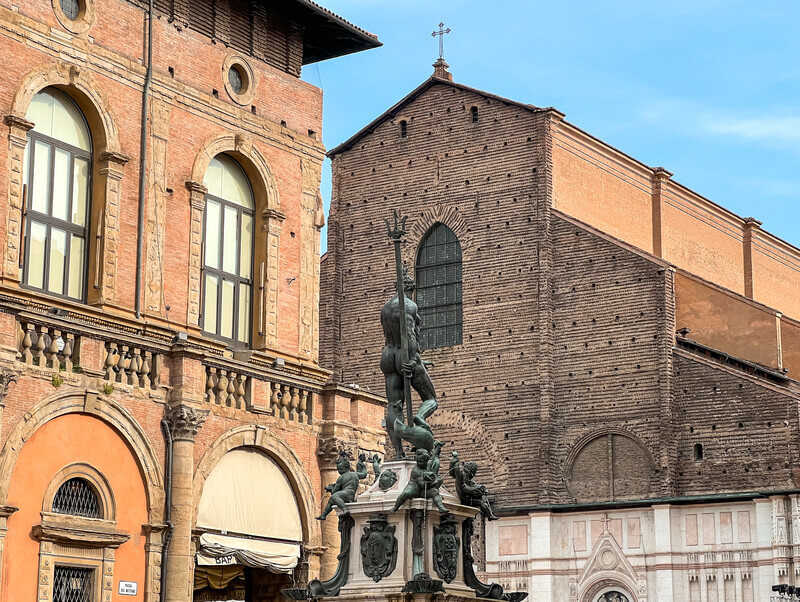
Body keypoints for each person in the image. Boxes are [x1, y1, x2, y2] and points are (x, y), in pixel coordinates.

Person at [380, 273, 438, 457]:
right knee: (431, 399)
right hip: (405, 355)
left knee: (394, 405)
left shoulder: (386, 308)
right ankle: (420, 417)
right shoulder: (409, 306)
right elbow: (410, 335)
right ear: (409, 289)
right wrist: (413, 360)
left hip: (388, 355)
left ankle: (398, 453)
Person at [391, 448, 448, 514]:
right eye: (420, 462)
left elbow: (434, 460)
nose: (423, 463)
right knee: (405, 493)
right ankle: (395, 507)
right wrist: (435, 483)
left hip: (423, 491)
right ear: (416, 460)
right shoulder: (416, 471)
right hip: (415, 489)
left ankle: (441, 507)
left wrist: (437, 480)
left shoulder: (428, 465)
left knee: (435, 492)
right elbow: (423, 485)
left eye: (424, 462)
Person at [449, 451, 498, 521]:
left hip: (468, 497)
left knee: (483, 497)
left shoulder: (469, 479)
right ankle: (490, 515)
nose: (474, 474)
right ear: (471, 471)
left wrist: (482, 489)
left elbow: (475, 485)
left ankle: (490, 515)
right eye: (474, 471)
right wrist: (455, 459)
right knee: (481, 501)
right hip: (464, 499)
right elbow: (465, 488)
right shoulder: (461, 476)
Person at [316, 451, 361, 520]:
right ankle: (324, 515)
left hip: (346, 494)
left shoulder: (341, 477)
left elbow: (334, 492)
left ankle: (345, 509)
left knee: (334, 497)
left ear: (345, 468)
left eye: (340, 469)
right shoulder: (355, 474)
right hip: (351, 494)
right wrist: (361, 464)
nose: (340, 471)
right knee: (331, 501)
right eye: (338, 469)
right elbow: (364, 474)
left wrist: (331, 488)